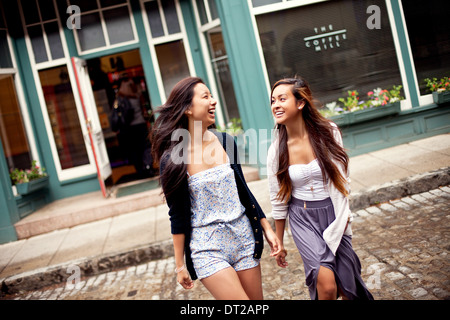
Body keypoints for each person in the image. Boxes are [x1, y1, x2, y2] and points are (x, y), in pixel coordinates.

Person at [151, 77, 281, 300]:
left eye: (212, 95)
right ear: (187, 109)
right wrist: (180, 264)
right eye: (205, 97)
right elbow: (177, 214)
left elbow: (243, 191)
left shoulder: (226, 141)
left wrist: (267, 228)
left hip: (244, 238)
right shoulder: (173, 158)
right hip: (207, 246)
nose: (213, 101)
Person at [267, 76, 373, 300]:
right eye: (273, 100)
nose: (276, 105)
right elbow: (278, 199)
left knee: (348, 288)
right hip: (302, 218)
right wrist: (280, 242)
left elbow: (343, 184)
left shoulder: (328, 132)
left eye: (282, 99)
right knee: (326, 285)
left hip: (334, 213)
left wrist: (343, 219)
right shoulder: (276, 151)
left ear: (300, 102)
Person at [116, 75, 154, 178]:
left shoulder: (120, 97)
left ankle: (139, 169)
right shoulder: (137, 96)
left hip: (129, 128)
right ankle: (147, 166)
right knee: (146, 146)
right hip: (141, 124)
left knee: (134, 149)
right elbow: (144, 110)